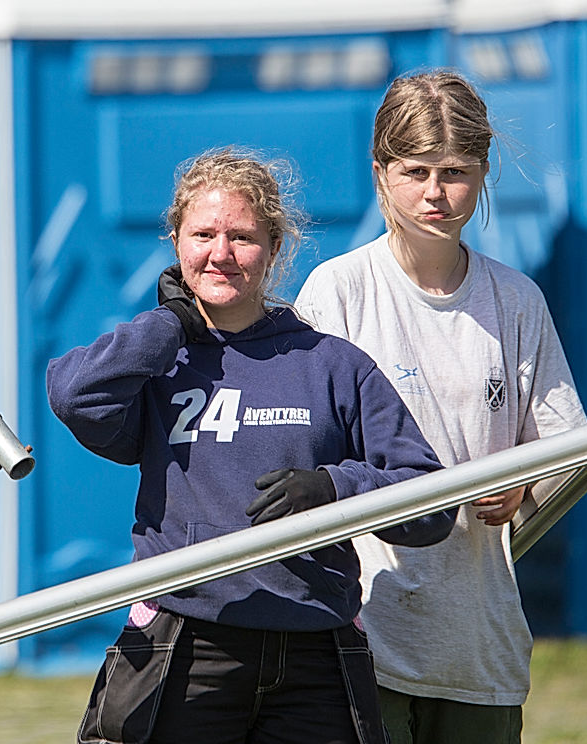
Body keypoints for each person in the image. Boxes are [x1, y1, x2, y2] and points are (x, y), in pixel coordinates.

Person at [45, 147, 456, 744]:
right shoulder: (160, 362)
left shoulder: (333, 365)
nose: (221, 254)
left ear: (274, 247)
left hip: (316, 648)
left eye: (242, 237)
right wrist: (170, 322)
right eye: (202, 235)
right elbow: (72, 394)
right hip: (185, 639)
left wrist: (336, 488)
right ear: (175, 243)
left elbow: (434, 507)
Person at [294, 69, 587, 744]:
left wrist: (525, 483)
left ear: (484, 173)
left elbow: (567, 451)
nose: (435, 192)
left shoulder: (516, 300)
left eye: (455, 172)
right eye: (416, 171)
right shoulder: (337, 292)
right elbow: (302, 460)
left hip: (478, 646)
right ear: (381, 174)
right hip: (361, 639)